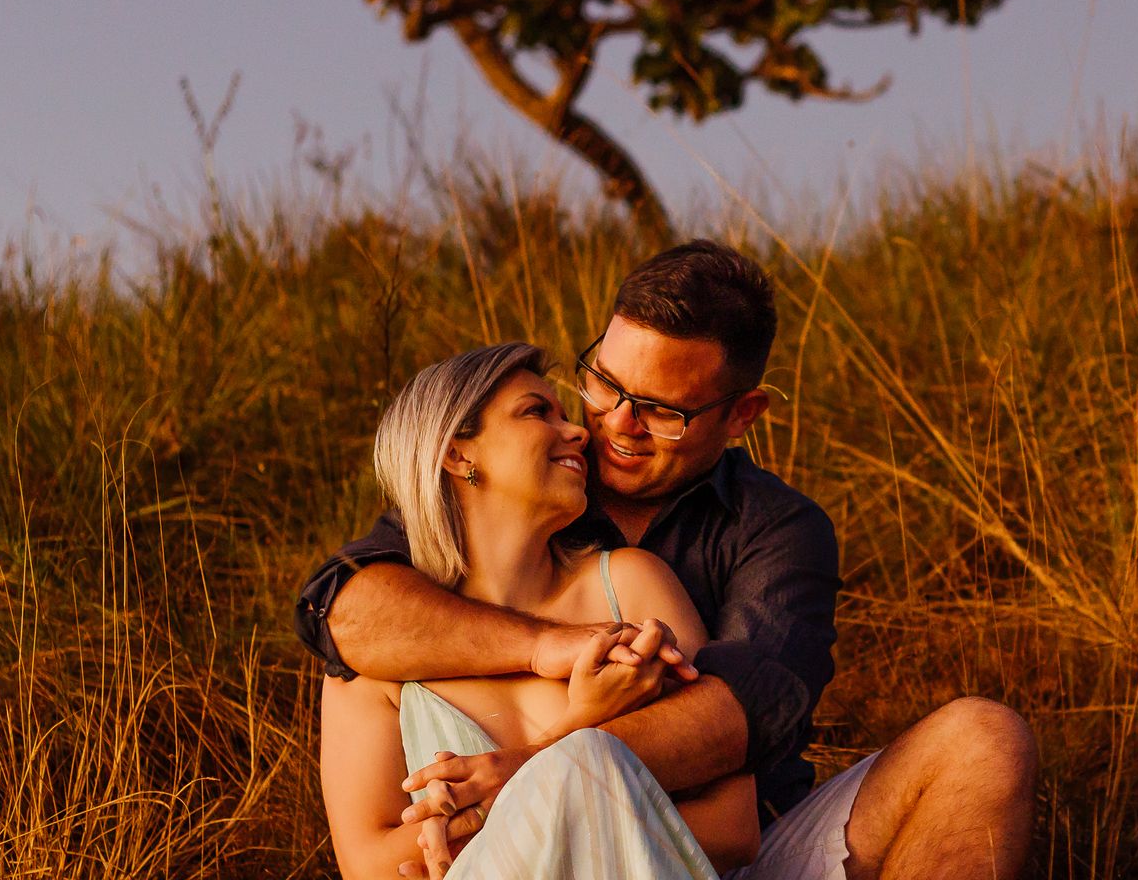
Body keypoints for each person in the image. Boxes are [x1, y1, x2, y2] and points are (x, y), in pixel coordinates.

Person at [298, 240, 1037, 880]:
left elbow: (744, 710)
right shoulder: (502, 507)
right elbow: (348, 610)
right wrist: (550, 649)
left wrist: (533, 775)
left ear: (740, 415)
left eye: (662, 410)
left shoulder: (766, 534)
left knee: (983, 741)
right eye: (604, 385)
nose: (608, 427)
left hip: (749, 855)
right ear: (458, 457)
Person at [318, 340, 760, 878]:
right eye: (536, 412)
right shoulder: (379, 648)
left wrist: (481, 825)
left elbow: (734, 828)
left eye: (564, 414)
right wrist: (583, 729)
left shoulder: (629, 585)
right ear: (457, 454)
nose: (577, 432)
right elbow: (366, 866)